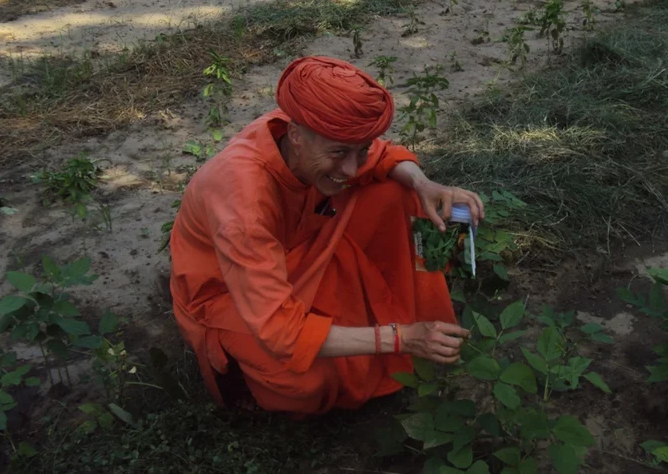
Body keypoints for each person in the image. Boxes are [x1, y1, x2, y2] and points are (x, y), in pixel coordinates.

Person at [169, 56, 484, 416]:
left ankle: (423, 323)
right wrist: (399, 338)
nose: (352, 168)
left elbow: (383, 156)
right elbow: (280, 331)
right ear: (296, 136)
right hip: (232, 298)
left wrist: (427, 185)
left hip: (295, 253)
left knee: (399, 194)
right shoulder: (243, 200)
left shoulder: (304, 135)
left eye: (359, 150)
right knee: (308, 383)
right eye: (339, 153)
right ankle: (243, 379)